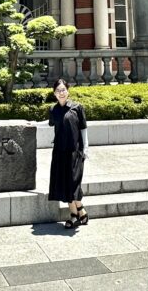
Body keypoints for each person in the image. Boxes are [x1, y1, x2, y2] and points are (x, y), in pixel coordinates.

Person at [47, 77, 89, 228]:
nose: (61, 93)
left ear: (68, 91)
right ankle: (77, 213)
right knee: (64, 183)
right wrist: (31, 124)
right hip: (59, 151)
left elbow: (83, 129)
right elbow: (50, 125)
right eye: (58, 90)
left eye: (63, 90)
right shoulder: (53, 110)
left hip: (75, 152)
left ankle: (77, 212)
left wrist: (86, 149)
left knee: (73, 183)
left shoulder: (77, 107)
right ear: (54, 93)